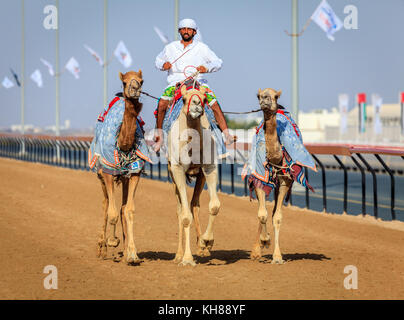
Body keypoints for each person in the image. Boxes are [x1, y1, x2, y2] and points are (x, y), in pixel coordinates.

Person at [154, 18, 236, 152]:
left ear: (194, 32)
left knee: (213, 103)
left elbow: (218, 62)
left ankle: (226, 135)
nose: (186, 31)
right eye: (184, 29)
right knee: (162, 103)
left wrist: (207, 68)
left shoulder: (202, 48)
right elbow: (157, 60)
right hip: (176, 83)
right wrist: (163, 65)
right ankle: (160, 136)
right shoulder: (170, 47)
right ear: (180, 31)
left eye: (189, 29)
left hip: (197, 82)